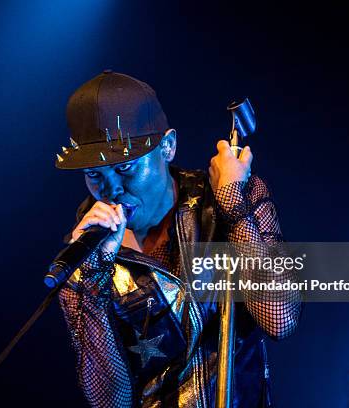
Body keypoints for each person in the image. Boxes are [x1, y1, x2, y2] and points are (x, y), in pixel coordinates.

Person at [54, 70, 301, 408]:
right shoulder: (83, 257)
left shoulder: (228, 199)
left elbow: (280, 319)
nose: (111, 189)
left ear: (167, 146)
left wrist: (232, 203)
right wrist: (92, 285)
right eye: (95, 174)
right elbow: (110, 402)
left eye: (125, 168)